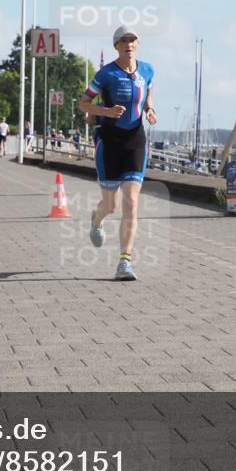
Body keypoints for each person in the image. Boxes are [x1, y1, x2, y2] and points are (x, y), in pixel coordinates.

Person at [78, 24, 156, 281]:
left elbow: (147, 92)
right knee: (111, 205)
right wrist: (106, 112)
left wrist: (149, 109)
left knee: (131, 202)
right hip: (109, 141)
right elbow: (83, 103)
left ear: (138, 44)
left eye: (132, 40)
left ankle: (125, 262)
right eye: (123, 41)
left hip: (135, 139)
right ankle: (96, 220)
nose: (129, 44)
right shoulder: (106, 74)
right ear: (116, 46)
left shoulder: (147, 69)